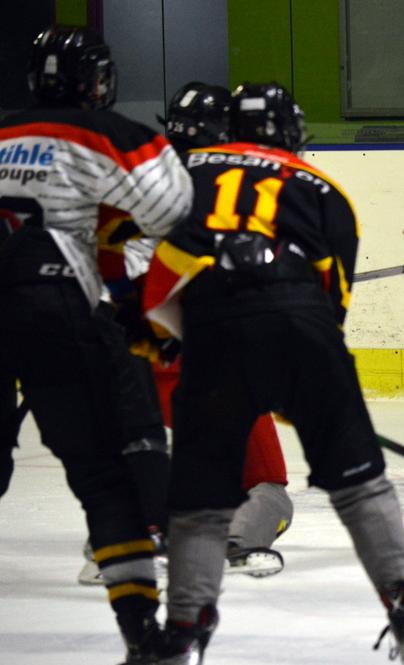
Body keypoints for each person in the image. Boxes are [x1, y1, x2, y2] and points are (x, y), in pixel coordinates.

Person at [142, 82, 404, 665]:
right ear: (291, 134)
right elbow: (331, 311)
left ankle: (182, 636)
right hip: (304, 334)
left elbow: (158, 291)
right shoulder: (325, 189)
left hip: (212, 339)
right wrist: (296, 385)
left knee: (200, 502)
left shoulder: (183, 178)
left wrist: (210, 347)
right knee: (362, 488)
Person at [0, 25, 192, 664]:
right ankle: (143, 635)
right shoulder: (113, 134)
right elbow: (174, 214)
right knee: (105, 479)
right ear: (97, 82)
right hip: (57, 311)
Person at [75, 82, 294, 586]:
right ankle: (237, 541)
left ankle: (116, 538)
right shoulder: (231, 188)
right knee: (267, 486)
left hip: (119, 349)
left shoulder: (130, 175)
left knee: (137, 454)